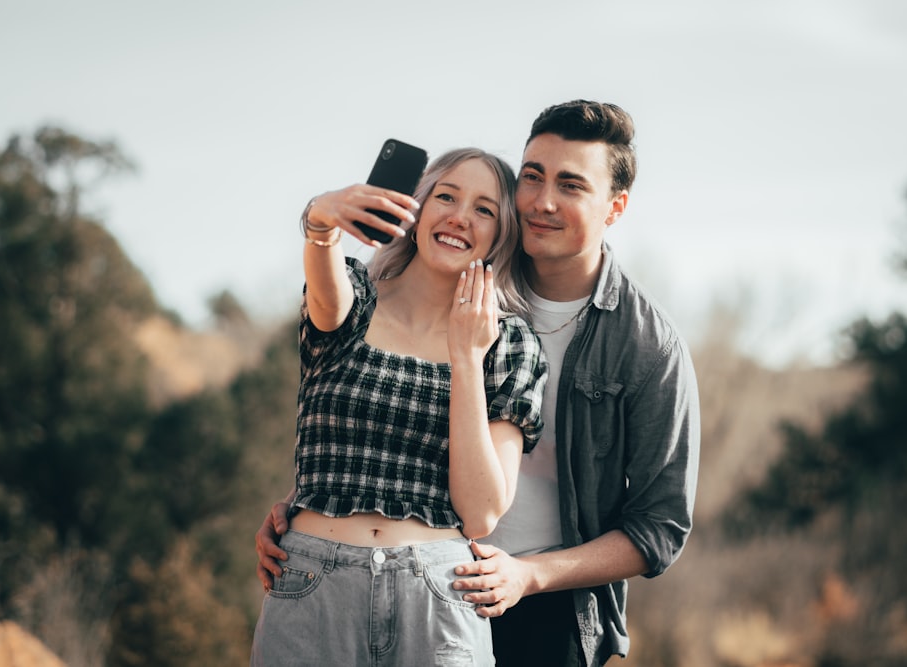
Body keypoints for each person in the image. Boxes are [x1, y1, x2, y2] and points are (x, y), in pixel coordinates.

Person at [257, 101, 700, 667]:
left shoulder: (642, 345)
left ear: (614, 208)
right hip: (408, 573)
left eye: (570, 185)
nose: (543, 200)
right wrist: (306, 513)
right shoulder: (402, 294)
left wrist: (531, 574)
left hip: (540, 600)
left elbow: (659, 527)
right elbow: (361, 401)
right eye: (533, 176)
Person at [250, 147, 547, 667]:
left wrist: (467, 357)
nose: (459, 216)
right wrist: (321, 220)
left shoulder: (509, 343)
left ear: (502, 235)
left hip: (438, 596)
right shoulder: (355, 296)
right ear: (417, 208)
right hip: (311, 585)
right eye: (446, 197)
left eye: (484, 209)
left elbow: (480, 512)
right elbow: (325, 296)